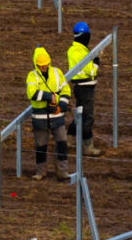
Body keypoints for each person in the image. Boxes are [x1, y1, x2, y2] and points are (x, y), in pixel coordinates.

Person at [26, 47, 70, 181]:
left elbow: (66, 90)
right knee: (41, 146)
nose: (44, 67)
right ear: (36, 65)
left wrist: (61, 106)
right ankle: (40, 172)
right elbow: (31, 93)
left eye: (46, 64)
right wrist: (49, 97)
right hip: (40, 117)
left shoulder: (57, 73)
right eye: (41, 65)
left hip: (57, 116)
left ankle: (62, 172)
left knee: (62, 143)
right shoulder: (32, 76)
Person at [66, 21, 102, 157]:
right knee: (87, 117)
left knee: (79, 115)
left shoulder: (76, 49)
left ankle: (68, 141)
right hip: (85, 87)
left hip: (81, 87)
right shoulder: (79, 51)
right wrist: (97, 61)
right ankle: (88, 147)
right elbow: (91, 71)